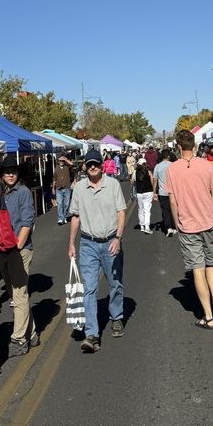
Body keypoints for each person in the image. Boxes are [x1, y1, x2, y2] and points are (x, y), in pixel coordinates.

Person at [165, 129, 213, 330]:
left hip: (188, 225)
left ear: (177, 147)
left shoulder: (172, 170)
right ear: (194, 146)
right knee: (211, 264)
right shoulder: (207, 166)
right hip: (209, 222)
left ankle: (208, 316)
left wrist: (176, 224)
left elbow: (173, 202)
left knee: (197, 269)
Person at [67, 149, 127, 353]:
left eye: (96, 164)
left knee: (115, 283)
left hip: (110, 241)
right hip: (88, 244)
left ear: (102, 165)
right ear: (85, 166)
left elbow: (121, 212)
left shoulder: (113, 185)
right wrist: (71, 243)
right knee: (89, 288)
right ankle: (91, 334)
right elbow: (75, 216)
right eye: (89, 164)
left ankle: (116, 316)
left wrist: (118, 237)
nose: (93, 167)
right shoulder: (79, 188)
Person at [0, 157, 39, 357]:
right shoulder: (0, 192)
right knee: (16, 294)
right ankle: (31, 333)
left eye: (13, 171)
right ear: (2, 175)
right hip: (4, 249)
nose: (10, 175)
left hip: (19, 249)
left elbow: (27, 221)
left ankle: (19, 339)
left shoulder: (23, 192)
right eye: (7, 172)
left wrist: (18, 246)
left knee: (19, 294)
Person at [153, 148, 175, 236]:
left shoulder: (157, 166)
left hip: (162, 192)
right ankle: (174, 226)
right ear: (169, 156)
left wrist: (154, 192)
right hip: (173, 192)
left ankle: (168, 227)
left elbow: (155, 180)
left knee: (165, 210)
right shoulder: (173, 165)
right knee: (173, 209)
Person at [134, 159, 156, 233]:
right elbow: (152, 180)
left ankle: (142, 226)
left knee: (140, 209)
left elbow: (132, 182)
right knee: (147, 210)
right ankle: (147, 227)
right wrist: (154, 191)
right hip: (148, 192)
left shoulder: (135, 172)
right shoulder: (148, 172)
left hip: (139, 193)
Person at [53, 153, 73, 225]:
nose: (61, 162)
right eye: (60, 160)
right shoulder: (56, 169)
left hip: (67, 187)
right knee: (60, 203)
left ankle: (65, 216)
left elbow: (72, 164)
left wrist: (65, 159)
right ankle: (60, 218)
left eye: (62, 161)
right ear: (58, 161)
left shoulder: (67, 167)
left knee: (66, 204)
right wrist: (53, 188)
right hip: (58, 188)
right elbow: (54, 179)